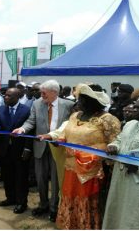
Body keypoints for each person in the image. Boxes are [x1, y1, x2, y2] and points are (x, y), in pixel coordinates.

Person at [39, 83, 121, 229]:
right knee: (69, 195)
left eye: (82, 100)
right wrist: (59, 141)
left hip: (92, 170)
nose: (78, 103)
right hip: (71, 167)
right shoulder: (75, 116)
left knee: (87, 200)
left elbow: (115, 142)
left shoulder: (107, 119)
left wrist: (102, 153)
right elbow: (65, 134)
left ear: (92, 102)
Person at [13, 79, 74, 222]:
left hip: (58, 148)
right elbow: (31, 121)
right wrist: (22, 129)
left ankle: (54, 208)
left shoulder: (68, 105)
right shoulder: (37, 104)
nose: (41, 95)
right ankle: (43, 204)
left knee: (56, 179)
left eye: (44, 92)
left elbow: (70, 126)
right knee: (40, 178)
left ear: (54, 92)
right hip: (40, 147)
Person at [103, 90, 139, 230]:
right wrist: (113, 146)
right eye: (135, 106)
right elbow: (119, 140)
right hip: (120, 179)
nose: (134, 110)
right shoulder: (130, 124)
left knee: (136, 218)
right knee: (118, 212)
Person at [0, 88, 32, 214]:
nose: (6, 98)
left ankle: (21, 203)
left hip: (20, 150)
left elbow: (30, 130)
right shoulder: (0, 109)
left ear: (18, 97)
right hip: (4, 149)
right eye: (5, 95)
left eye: (9, 96)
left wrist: (27, 148)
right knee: (7, 176)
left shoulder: (26, 110)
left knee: (20, 177)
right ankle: (10, 198)